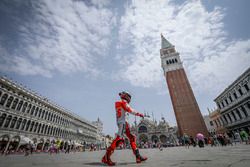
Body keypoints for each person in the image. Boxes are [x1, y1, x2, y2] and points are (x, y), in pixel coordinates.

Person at [102, 91, 147, 166]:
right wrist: (139, 114)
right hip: (122, 123)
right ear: (126, 96)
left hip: (124, 123)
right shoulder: (123, 102)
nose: (130, 99)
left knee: (132, 138)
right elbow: (130, 110)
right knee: (119, 139)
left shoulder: (120, 102)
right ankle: (106, 157)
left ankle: (138, 157)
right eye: (129, 97)